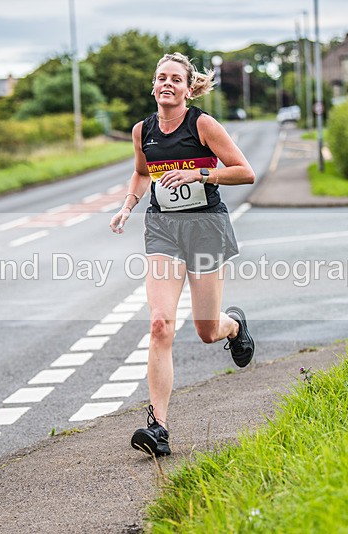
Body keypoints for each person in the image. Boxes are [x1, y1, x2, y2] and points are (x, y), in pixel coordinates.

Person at [109, 52, 255, 457]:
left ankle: (234, 327)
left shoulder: (203, 124)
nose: (167, 84)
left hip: (205, 227)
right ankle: (158, 428)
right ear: (153, 86)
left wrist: (200, 173)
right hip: (163, 230)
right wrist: (127, 205)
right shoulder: (143, 130)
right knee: (160, 325)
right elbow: (142, 172)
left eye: (176, 78)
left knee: (207, 330)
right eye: (161, 78)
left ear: (189, 88)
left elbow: (245, 171)